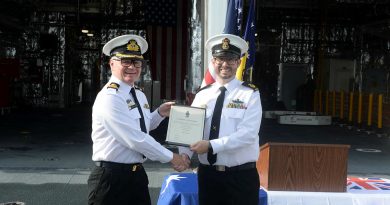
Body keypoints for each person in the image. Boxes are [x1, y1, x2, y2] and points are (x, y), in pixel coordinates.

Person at [87, 34, 189, 205]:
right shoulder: (110, 97)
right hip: (111, 179)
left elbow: (143, 127)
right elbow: (134, 138)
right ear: (112, 63)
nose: (132, 67)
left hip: (136, 176)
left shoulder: (139, 94)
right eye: (125, 61)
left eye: (136, 62)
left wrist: (159, 114)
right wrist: (172, 157)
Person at [180, 34, 263, 205]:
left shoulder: (250, 94)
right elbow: (190, 127)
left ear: (238, 63)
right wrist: (185, 155)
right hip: (208, 176)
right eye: (220, 59)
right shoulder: (203, 94)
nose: (225, 64)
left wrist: (211, 146)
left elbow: (248, 135)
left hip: (240, 177)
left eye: (231, 59)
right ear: (213, 62)